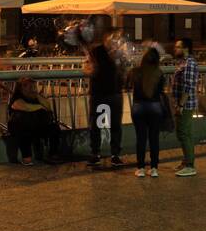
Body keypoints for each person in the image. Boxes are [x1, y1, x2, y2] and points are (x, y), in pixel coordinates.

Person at [83, 23, 124, 167]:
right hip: (99, 93)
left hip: (115, 93)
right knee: (96, 124)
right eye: (114, 37)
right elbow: (87, 69)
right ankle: (95, 153)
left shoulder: (120, 53)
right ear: (106, 37)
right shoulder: (95, 52)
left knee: (115, 126)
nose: (117, 40)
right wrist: (91, 68)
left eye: (119, 38)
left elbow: (124, 70)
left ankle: (115, 155)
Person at [128, 47, 166, 177]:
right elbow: (161, 90)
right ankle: (154, 168)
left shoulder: (135, 71)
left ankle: (140, 168)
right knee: (154, 138)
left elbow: (127, 84)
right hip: (155, 107)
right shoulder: (159, 73)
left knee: (141, 138)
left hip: (139, 107)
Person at [6, 76, 60, 165]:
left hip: (37, 125)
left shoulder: (36, 97)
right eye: (30, 87)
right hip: (21, 127)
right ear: (22, 88)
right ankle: (26, 158)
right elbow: (26, 107)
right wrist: (40, 107)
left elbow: (48, 106)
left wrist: (37, 96)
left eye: (34, 87)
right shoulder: (17, 99)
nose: (33, 89)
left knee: (54, 128)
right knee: (24, 129)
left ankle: (53, 154)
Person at [172, 39, 199, 177]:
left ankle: (190, 165)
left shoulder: (190, 63)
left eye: (178, 47)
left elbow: (188, 86)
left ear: (186, 48)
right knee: (183, 132)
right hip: (181, 104)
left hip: (186, 105)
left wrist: (181, 105)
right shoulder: (183, 62)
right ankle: (186, 161)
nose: (175, 49)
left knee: (184, 133)